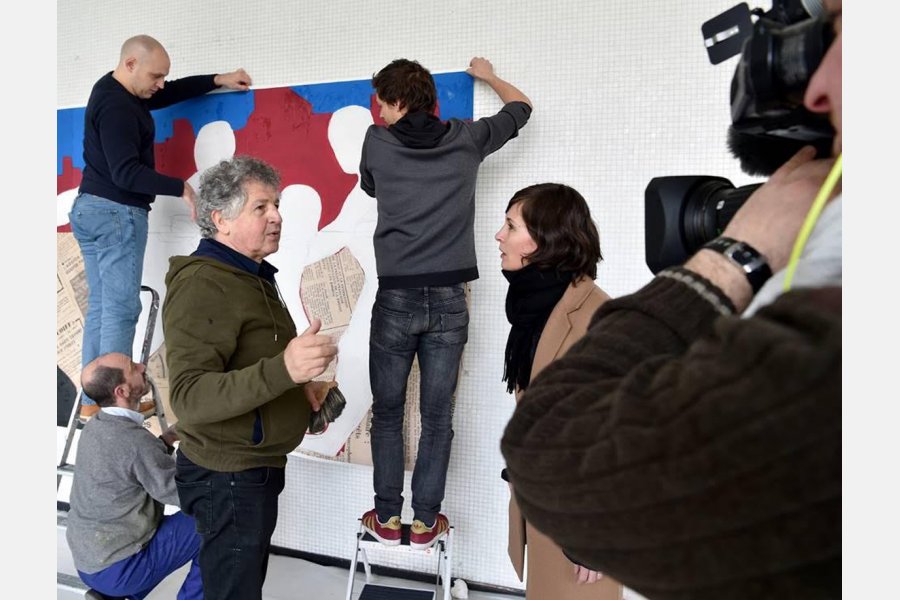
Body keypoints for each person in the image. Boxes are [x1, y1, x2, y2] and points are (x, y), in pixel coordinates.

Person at [500, 2, 842, 598]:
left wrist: (738, 254)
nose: (817, 89)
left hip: (583, 530)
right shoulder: (523, 310)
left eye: (841, 31)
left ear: (547, 239)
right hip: (558, 519)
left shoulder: (590, 307)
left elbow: (563, 444)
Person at [358, 56, 532, 550]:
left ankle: (388, 519)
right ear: (430, 100)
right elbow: (521, 108)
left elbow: (371, 186)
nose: (380, 114)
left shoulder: (377, 141)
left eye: (382, 105)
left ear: (394, 103)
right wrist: (488, 75)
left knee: (388, 411)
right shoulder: (467, 138)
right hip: (451, 299)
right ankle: (426, 521)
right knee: (437, 416)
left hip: (395, 296)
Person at [161, 155, 338, 599]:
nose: (277, 216)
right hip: (229, 478)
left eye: (276, 204)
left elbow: (250, 364)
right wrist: (285, 369)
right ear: (221, 219)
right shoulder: (205, 283)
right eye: (261, 207)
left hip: (251, 469)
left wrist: (298, 386)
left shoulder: (250, 275)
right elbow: (190, 397)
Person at [69, 34, 253, 418]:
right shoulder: (118, 107)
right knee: (119, 311)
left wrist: (217, 79)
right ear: (131, 64)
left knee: (103, 309)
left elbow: (166, 94)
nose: (161, 85)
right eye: (156, 76)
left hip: (91, 209)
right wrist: (180, 187)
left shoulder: (113, 87)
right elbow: (126, 173)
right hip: (117, 213)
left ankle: (91, 404)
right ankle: (115, 406)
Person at [496, 183, 623, 600]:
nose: (499, 235)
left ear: (546, 240)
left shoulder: (597, 318)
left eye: (511, 226)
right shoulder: (537, 308)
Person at [66, 352, 202, 600]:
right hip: (118, 569)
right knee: (216, 520)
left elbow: (132, 465)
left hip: (89, 560)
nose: (141, 366)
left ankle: (115, 597)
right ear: (122, 391)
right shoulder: (134, 441)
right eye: (132, 368)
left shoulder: (96, 426)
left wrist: (168, 439)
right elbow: (184, 495)